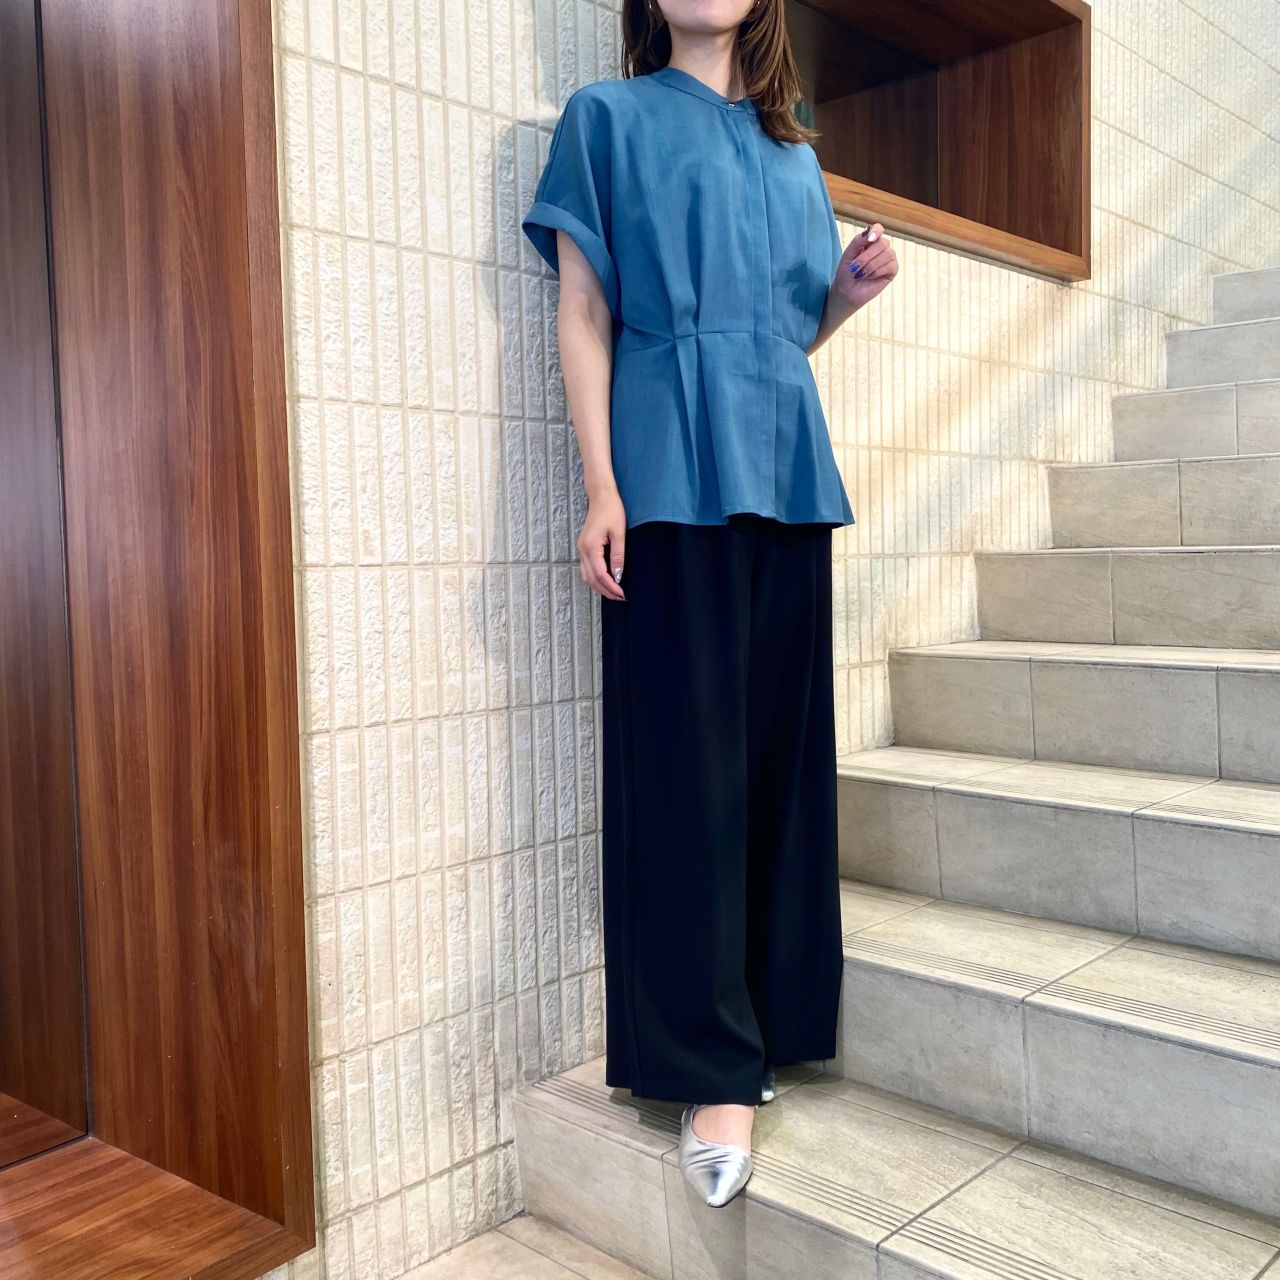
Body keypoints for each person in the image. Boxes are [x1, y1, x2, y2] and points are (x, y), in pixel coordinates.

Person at [521, 0, 898, 1208]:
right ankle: (707, 1067)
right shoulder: (606, 118)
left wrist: (842, 296)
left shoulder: (794, 148)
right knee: (685, 774)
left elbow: (781, 333)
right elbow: (586, 310)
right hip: (666, 477)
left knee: (779, 763)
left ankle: (777, 1018)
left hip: (783, 469)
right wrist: (600, 485)